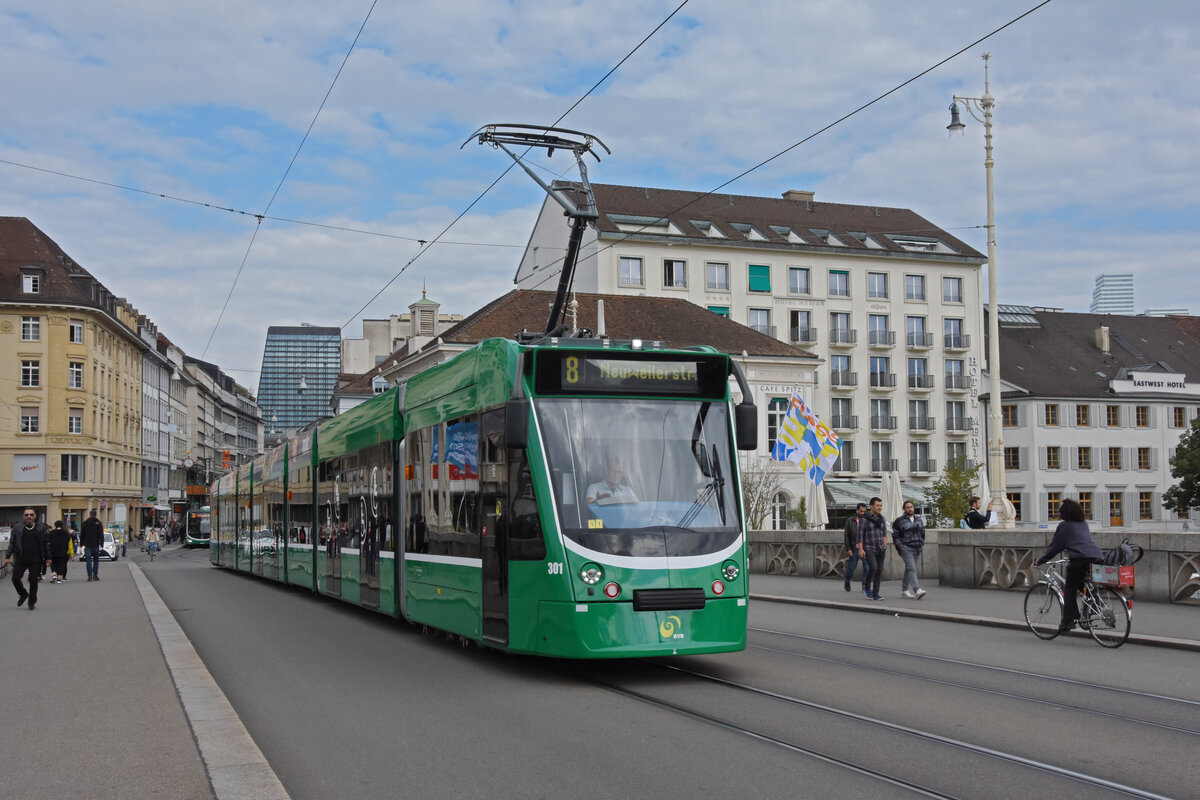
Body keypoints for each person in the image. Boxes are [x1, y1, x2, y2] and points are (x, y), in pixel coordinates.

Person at [1035, 498, 1103, 632]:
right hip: (1096, 557)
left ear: (1066, 513)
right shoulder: (1084, 523)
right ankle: (1095, 603)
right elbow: (1081, 541)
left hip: (1080, 559)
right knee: (1082, 583)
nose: (1059, 512)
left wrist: (1041, 560)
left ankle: (1068, 620)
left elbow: (1055, 547)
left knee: (1069, 588)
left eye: (1061, 510)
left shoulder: (1065, 526)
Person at [4, 508, 50, 610]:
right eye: (26, 515)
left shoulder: (41, 528)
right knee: (15, 578)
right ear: (23, 516)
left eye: (31, 514)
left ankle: (31, 602)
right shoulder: (17, 527)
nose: (29, 516)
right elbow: (12, 543)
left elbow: (46, 543)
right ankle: (23, 594)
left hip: (36, 558)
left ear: (35, 516)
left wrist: (48, 557)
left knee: (33, 580)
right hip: (21, 557)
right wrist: (7, 557)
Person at [891, 501, 927, 599]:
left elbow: (923, 533)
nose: (910, 509)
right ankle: (917, 590)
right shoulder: (899, 521)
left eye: (911, 507)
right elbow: (895, 535)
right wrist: (901, 547)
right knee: (912, 568)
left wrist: (922, 543)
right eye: (907, 507)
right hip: (906, 548)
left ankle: (904, 590)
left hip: (917, 547)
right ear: (904, 509)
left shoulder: (919, 520)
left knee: (909, 568)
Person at [855, 496, 888, 600]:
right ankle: (867, 587)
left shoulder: (881, 519)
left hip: (880, 548)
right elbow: (859, 535)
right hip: (869, 547)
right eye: (877, 505)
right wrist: (861, 549)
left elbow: (884, 533)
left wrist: (884, 545)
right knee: (873, 567)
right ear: (871, 506)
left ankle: (876, 593)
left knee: (879, 570)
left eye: (881, 505)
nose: (879, 507)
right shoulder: (864, 519)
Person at [842, 503, 867, 593]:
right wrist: (848, 549)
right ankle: (847, 580)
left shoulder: (866, 521)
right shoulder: (850, 521)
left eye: (864, 511)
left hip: (865, 548)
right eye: (861, 511)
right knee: (852, 568)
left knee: (867, 568)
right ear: (857, 511)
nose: (863, 513)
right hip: (854, 548)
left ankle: (864, 586)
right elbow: (846, 535)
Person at [81, 509, 103, 582]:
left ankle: (89, 576)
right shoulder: (99, 523)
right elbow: (101, 534)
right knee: (96, 560)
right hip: (96, 544)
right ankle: (95, 575)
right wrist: (102, 543)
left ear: (90, 514)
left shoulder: (85, 523)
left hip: (87, 545)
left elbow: (82, 534)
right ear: (96, 515)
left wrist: (81, 544)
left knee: (88, 561)